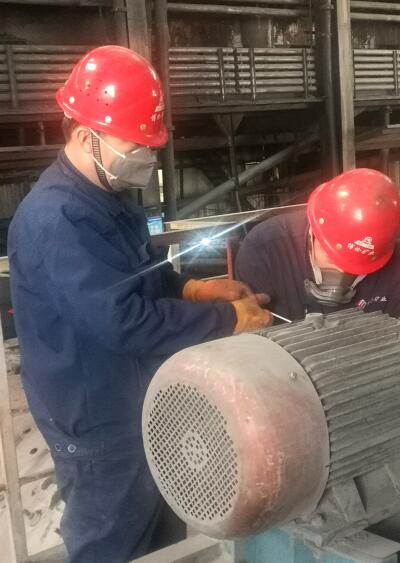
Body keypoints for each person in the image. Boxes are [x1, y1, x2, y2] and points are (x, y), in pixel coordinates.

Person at [8, 45, 271, 563]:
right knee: (111, 541)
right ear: (86, 135)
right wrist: (227, 318)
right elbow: (124, 320)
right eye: (137, 145)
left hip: (136, 398)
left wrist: (192, 289)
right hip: (98, 419)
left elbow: (141, 278)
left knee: (162, 537)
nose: (147, 158)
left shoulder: (106, 199)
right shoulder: (57, 220)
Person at [234, 168, 400, 321]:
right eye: (332, 255)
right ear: (315, 230)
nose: (342, 270)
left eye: (355, 263)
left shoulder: (395, 263)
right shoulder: (263, 250)